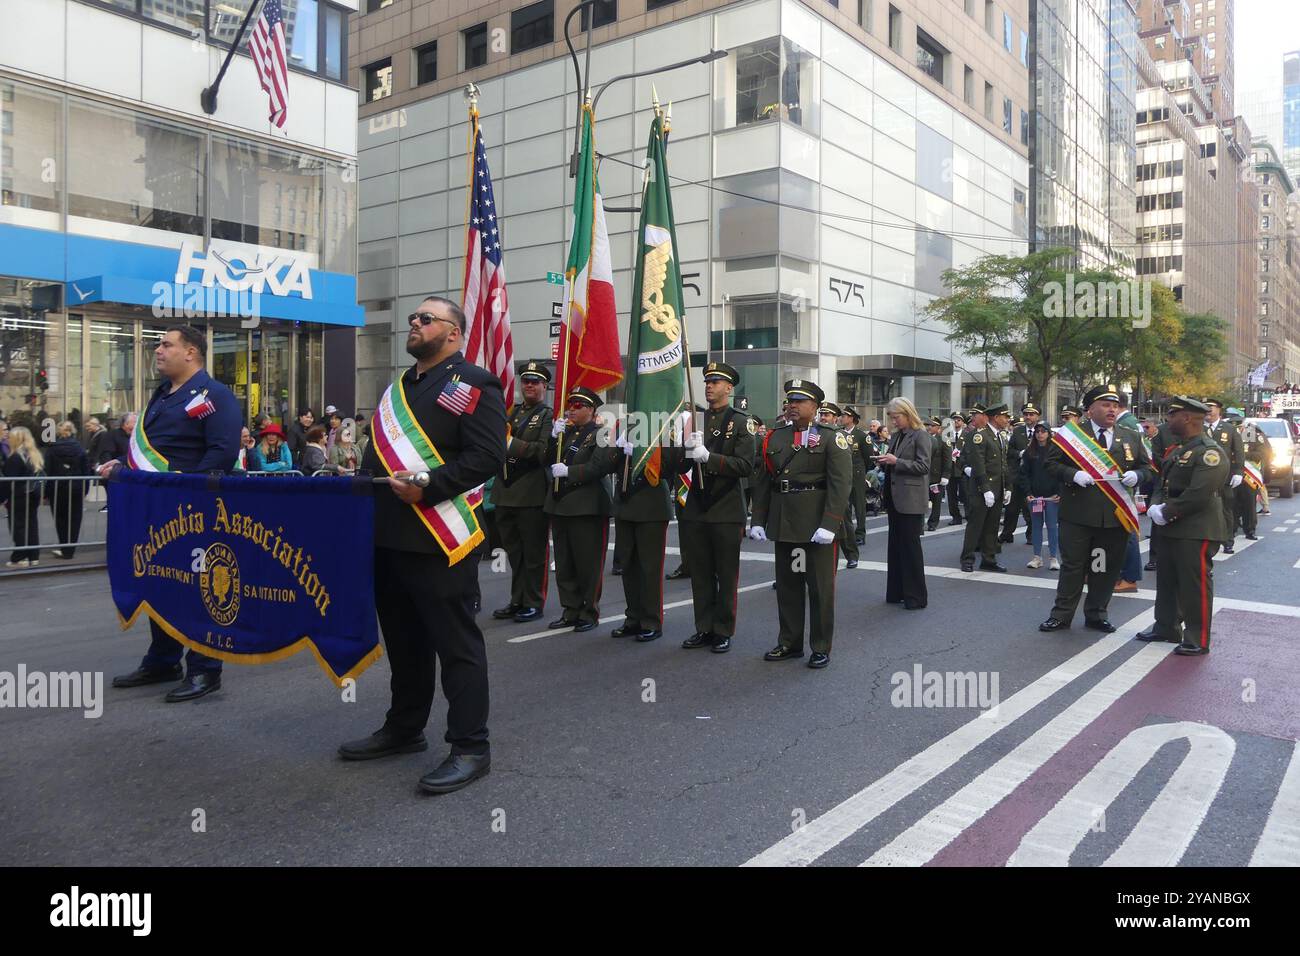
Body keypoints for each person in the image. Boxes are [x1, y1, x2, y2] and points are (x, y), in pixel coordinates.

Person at [338, 296, 505, 795]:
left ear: (452, 333)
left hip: (439, 538)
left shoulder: (473, 383)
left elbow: (487, 456)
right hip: (389, 538)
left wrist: (429, 486)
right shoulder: (399, 390)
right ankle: (405, 727)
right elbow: (376, 463)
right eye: (413, 318)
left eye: (425, 319)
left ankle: (471, 746)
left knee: (456, 646)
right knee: (405, 644)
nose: (414, 323)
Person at [100, 325, 241, 701]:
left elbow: (221, 454)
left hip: (194, 512)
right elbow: (157, 448)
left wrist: (184, 493)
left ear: (191, 352)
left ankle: (205, 669)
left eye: (166, 345)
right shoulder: (161, 396)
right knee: (160, 582)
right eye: (158, 345)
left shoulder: (215, 396)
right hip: (156, 511)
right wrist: (121, 466)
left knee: (199, 589)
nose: (158, 350)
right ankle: (163, 659)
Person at [749, 378, 851, 669]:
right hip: (788, 525)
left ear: (815, 406)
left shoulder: (832, 437)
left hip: (817, 527)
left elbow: (840, 484)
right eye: (790, 401)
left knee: (820, 589)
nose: (792, 406)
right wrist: (758, 519)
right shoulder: (776, 436)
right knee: (789, 587)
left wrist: (830, 524)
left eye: (800, 401)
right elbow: (764, 481)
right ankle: (789, 642)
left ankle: (820, 646)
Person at [1040, 385, 1151, 634]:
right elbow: (1050, 464)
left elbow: (1147, 467)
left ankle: (1096, 614)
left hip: (1112, 519)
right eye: (1105, 404)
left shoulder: (1130, 436)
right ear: (1090, 409)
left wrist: (1138, 475)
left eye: (1114, 405)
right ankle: (1061, 615)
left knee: (1103, 567)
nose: (1112, 409)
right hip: (1078, 517)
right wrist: (1072, 474)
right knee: (1073, 567)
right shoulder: (1071, 436)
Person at [673, 361, 755, 653]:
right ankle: (703, 627)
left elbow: (746, 465)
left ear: (729, 388)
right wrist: (682, 448)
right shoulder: (693, 420)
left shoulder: (741, 421)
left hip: (725, 507)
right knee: (701, 572)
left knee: (725, 572)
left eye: (716, 382)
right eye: (707, 381)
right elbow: (678, 464)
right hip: (696, 505)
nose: (709, 386)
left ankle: (723, 629)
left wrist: (709, 457)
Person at [1137, 397, 1229, 655]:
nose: (1168, 419)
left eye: (1173, 415)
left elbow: (1199, 493)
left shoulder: (1209, 452)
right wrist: (1156, 507)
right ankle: (1166, 626)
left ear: (1187, 418)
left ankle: (1197, 637)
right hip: (1171, 526)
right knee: (1166, 580)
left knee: (1194, 584)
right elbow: (1162, 483)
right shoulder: (1177, 449)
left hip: (1197, 529)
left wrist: (1166, 511)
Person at [545, 386, 619, 632]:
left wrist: (570, 472)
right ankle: (570, 609)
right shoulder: (566, 434)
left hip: (587, 506)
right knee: (565, 563)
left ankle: (589, 611)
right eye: (570, 405)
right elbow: (546, 459)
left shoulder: (602, 433)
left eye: (578, 406)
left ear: (591, 409)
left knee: (588, 564)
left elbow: (600, 466)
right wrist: (553, 437)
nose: (571, 410)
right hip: (561, 505)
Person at [490, 361, 554, 624]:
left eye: (535, 381)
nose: (529, 385)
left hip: (530, 492)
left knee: (534, 553)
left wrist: (510, 443)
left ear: (544, 386)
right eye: (526, 380)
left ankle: (533, 602)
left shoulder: (549, 416)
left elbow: (542, 451)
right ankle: (517, 599)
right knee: (514, 552)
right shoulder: (512, 413)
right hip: (505, 491)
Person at [877, 398, 932, 609]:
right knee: (895, 546)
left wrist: (896, 462)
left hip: (910, 498)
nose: (893, 422)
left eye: (896, 417)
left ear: (908, 414)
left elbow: (923, 466)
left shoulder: (921, 435)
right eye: (891, 418)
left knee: (910, 548)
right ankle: (897, 591)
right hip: (894, 496)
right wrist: (884, 462)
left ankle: (916, 596)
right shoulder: (897, 436)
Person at [959, 403, 1009, 573]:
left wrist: (1007, 487)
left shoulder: (1000, 436)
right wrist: (985, 488)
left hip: (997, 489)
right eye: (1005, 416)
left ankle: (989, 559)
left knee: (992, 526)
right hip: (983, 491)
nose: (1007, 419)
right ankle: (967, 559)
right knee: (975, 525)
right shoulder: (980, 436)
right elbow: (979, 464)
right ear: (996, 417)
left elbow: (1003, 465)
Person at [1203, 400, 1244, 554]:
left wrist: (1239, 472)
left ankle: (1228, 541)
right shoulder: (1198, 428)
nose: (1208, 411)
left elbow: (1239, 452)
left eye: (1211, 408)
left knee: (1226, 510)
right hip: (1203, 477)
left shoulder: (1229, 429)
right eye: (1205, 408)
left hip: (1224, 477)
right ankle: (1208, 540)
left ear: (1219, 410)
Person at [44, 421, 90, 559]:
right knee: (75, 518)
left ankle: (64, 547)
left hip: (57, 488)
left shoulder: (52, 449)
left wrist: (46, 492)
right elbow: (86, 471)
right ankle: (70, 549)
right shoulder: (80, 449)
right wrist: (85, 489)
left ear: (59, 432)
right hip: (76, 487)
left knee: (60, 518)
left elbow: (48, 471)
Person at [1019, 423, 1061, 570]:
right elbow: (1024, 474)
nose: (1040, 434)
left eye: (1043, 431)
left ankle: (1054, 558)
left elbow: (1061, 473)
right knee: (1036, 526)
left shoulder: (1056, 450)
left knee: (1052, 527)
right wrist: (1028, 493)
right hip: (1036, 497)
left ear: (1049, 433)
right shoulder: (1029, 452)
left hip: (1052, 497)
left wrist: (1060, 492)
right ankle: (1037, 557)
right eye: (1037, 431)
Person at [2, 426, 44, 568]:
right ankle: (34, 556)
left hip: (19, 495)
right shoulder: (34, 454)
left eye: (10, 438)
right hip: (33, 494)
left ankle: (20, 557)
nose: (8, 439)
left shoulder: (15, 457)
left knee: (18, 526)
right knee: (32, 524)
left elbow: (8, 482)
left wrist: (1, 498)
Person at [1000, 403, 1040, 544]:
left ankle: (1032, 535)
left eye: (1031, 414)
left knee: (1032, 510)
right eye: (1026, 414)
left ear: (1037, 416)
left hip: (1034, 478)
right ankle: (1007, 533)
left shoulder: (1042, 431)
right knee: (1011, 509)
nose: (1028, 417)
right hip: (1017, 476)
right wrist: (1020, 453)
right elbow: (1009, 452)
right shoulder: (1018, 432)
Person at [839, 406, 872, 545]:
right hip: (842, 474)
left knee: (859, 505)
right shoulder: (839, 434)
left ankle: (860, 533)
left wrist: (862, 471)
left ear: (851, 418)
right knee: (844, 506)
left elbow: (868, 457)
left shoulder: (861, 436)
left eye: (844, 416)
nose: (841, 418)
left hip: (857, 474)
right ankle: (846, 533)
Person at [924, 416, 950, 532]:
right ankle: (919, 525)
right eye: (928, 425)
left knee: (936, 502)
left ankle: (933, 523)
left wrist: (945, 475)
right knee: (921, 501)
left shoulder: (943, 440)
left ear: (938, 428)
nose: (930, 427)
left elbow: (947, 459)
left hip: (937, 477)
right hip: (924, 475)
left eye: (933, 425)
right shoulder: (922, 438)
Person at [946, 411, 968, 525]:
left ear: (963, 422)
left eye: (958, 420)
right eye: (954, 419)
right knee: (951, 495)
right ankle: (956, 516)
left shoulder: (967, 435)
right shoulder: (947, 435)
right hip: (950, 470)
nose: (956, 422)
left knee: (966, 494)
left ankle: (969, 515)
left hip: (963, 470)